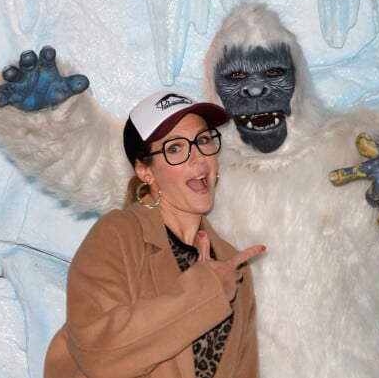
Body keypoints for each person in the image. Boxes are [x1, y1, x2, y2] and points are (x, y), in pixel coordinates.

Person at [43, 90, 266, 378]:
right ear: (145, 170)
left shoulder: (232, 265)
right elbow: (98, 353)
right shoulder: (117, 235)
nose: (198, 158)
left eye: (203, 140)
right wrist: (206, 291)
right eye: (175, 149)